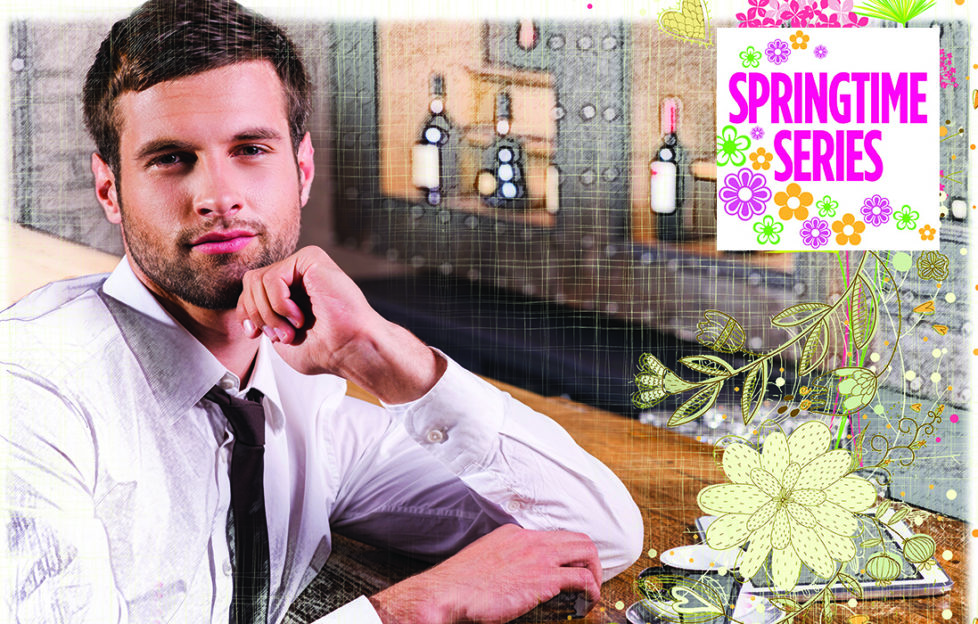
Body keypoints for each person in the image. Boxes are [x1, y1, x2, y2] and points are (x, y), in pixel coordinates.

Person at [1, 1, 643, 622]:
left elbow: (597, 534)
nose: (218, 196)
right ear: (111, 189)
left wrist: (385, 355)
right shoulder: (29, 393)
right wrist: (409, 612)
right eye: (171, 159)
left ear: (302, 170)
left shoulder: (300, 408)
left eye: (251, 149)